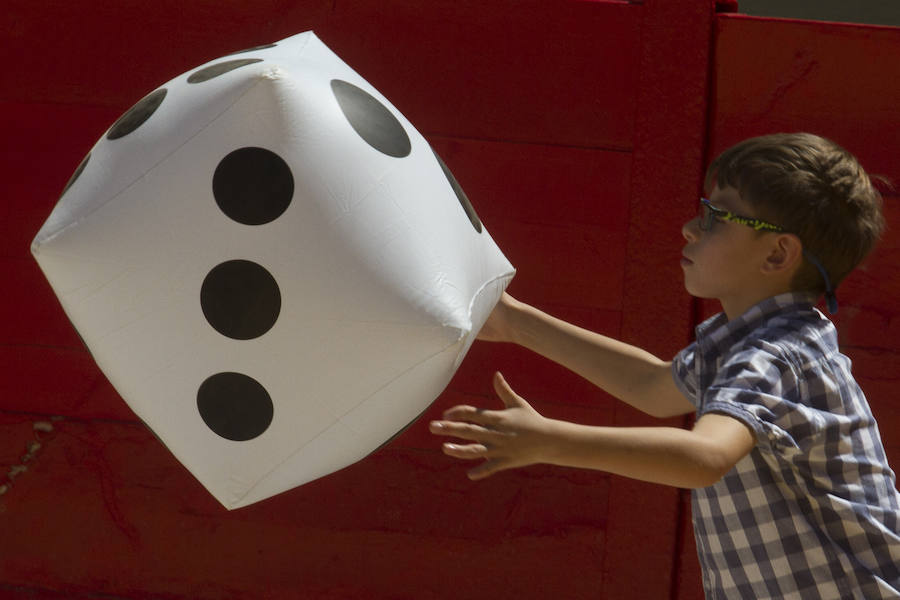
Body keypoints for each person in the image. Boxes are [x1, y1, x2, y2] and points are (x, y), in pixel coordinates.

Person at [429, 133, 900, 598]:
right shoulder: (748, 343)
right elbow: (653, 384)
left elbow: (705, 458)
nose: (690, 228)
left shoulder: (775, 356)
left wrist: (551, 440)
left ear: (778, 253)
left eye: (715, 217)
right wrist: (515, 322)